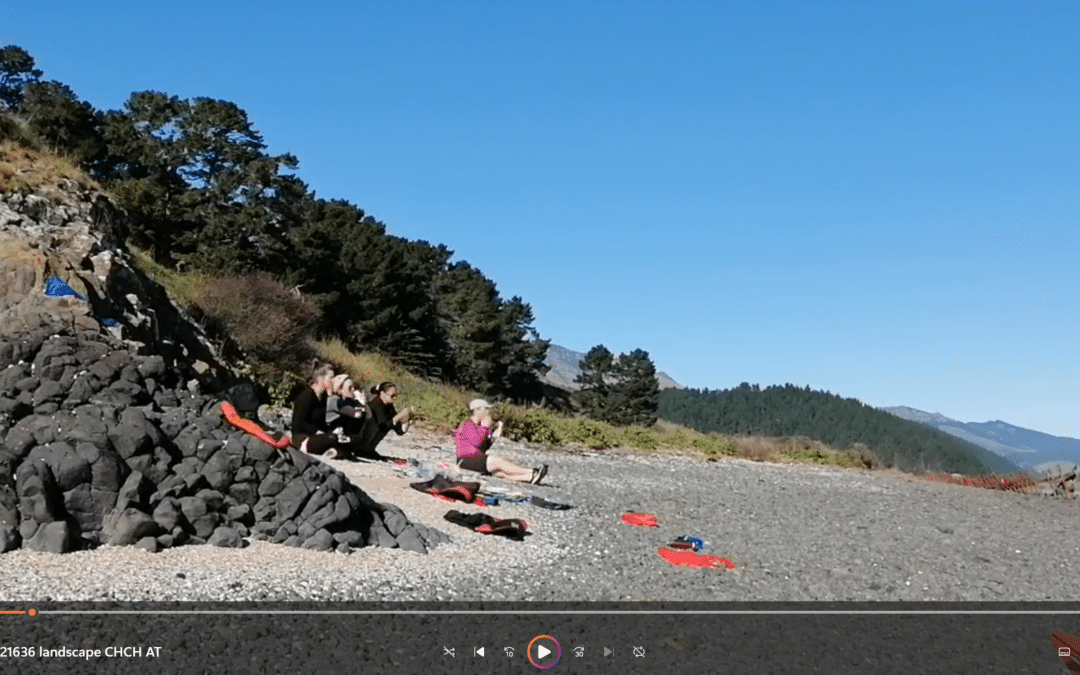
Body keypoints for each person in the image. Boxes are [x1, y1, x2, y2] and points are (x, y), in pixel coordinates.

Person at [456, 399, 548, 484]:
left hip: (474, 458)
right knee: (498, 462)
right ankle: (532, 471)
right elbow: (477, 442)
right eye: (486, 410)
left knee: (500, 473)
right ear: (478, 411)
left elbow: (483, 447)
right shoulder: (468, 424)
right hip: (466, 459)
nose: (488, 413)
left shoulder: (477, 426)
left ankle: (529, 477)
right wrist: (485, 427)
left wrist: (494, 435)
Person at [290, 362, 348, 458]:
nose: (333, 381)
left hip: (317, 437)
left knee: (345, 442)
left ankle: (333, 451)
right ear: (321, 379)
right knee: (331, 438)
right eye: (331, 378)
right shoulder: (306, 396)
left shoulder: (323, 397)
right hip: (303, 438)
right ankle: (332, 450)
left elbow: (321, 423)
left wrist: (332, 431)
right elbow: (299, 424)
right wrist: (319, 432)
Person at [352, 381, 414, 460]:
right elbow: (383, 426)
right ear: (382, 394)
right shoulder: (376, 404)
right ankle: (364, 450)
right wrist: (399, 416)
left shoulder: (389, 407)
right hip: (360, 444)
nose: (395, 398)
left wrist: (408, 419)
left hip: (368, 448)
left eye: (396, 395)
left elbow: (400, 431)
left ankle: (368, 450)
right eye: (392, 395)